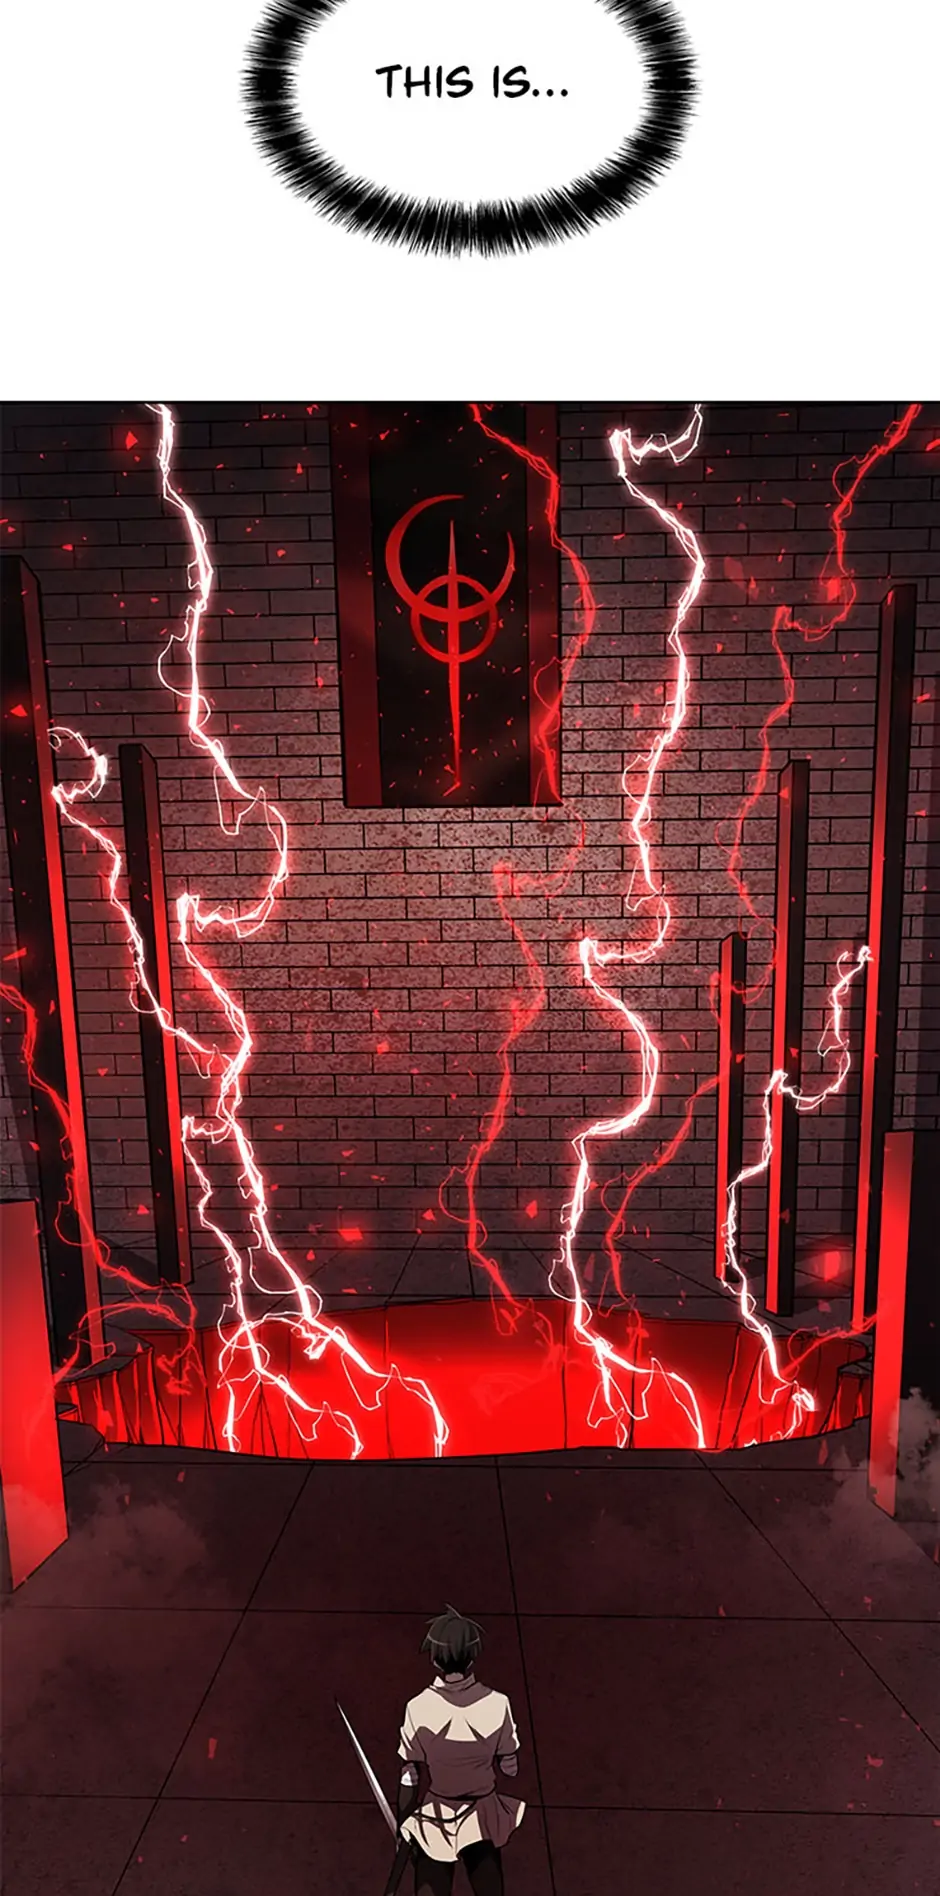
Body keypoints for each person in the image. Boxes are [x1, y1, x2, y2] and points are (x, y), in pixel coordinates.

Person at [394, 1605, 524, 1895]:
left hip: (437, 1815)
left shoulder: (418, 1707)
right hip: (482, 1815)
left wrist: (403, 1825)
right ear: (472, 1657)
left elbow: (410, 1775)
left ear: (434, 1659)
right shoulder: (498, 1703)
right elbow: (510, 1767)